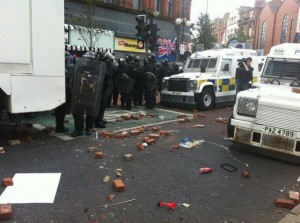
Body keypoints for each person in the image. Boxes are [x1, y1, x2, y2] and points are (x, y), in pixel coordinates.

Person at [71, 51, 106, 137]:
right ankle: (78, 129)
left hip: (92, 93)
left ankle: (89, 128)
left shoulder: (97, 69)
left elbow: (102, 81)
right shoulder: (80, 67)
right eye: (87, 58)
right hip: (80, 92)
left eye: (90, 59)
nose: (88, 60)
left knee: (91, 112)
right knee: (78, 112)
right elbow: (74, 79)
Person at [54, 51, 74, 133]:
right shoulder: (65, 66)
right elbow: (70, 74)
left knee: (59, 108)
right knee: (62, 109)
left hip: (58, 88)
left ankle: (59, 125)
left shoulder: (57, 65)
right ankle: (59, 126)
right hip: (64, 88)